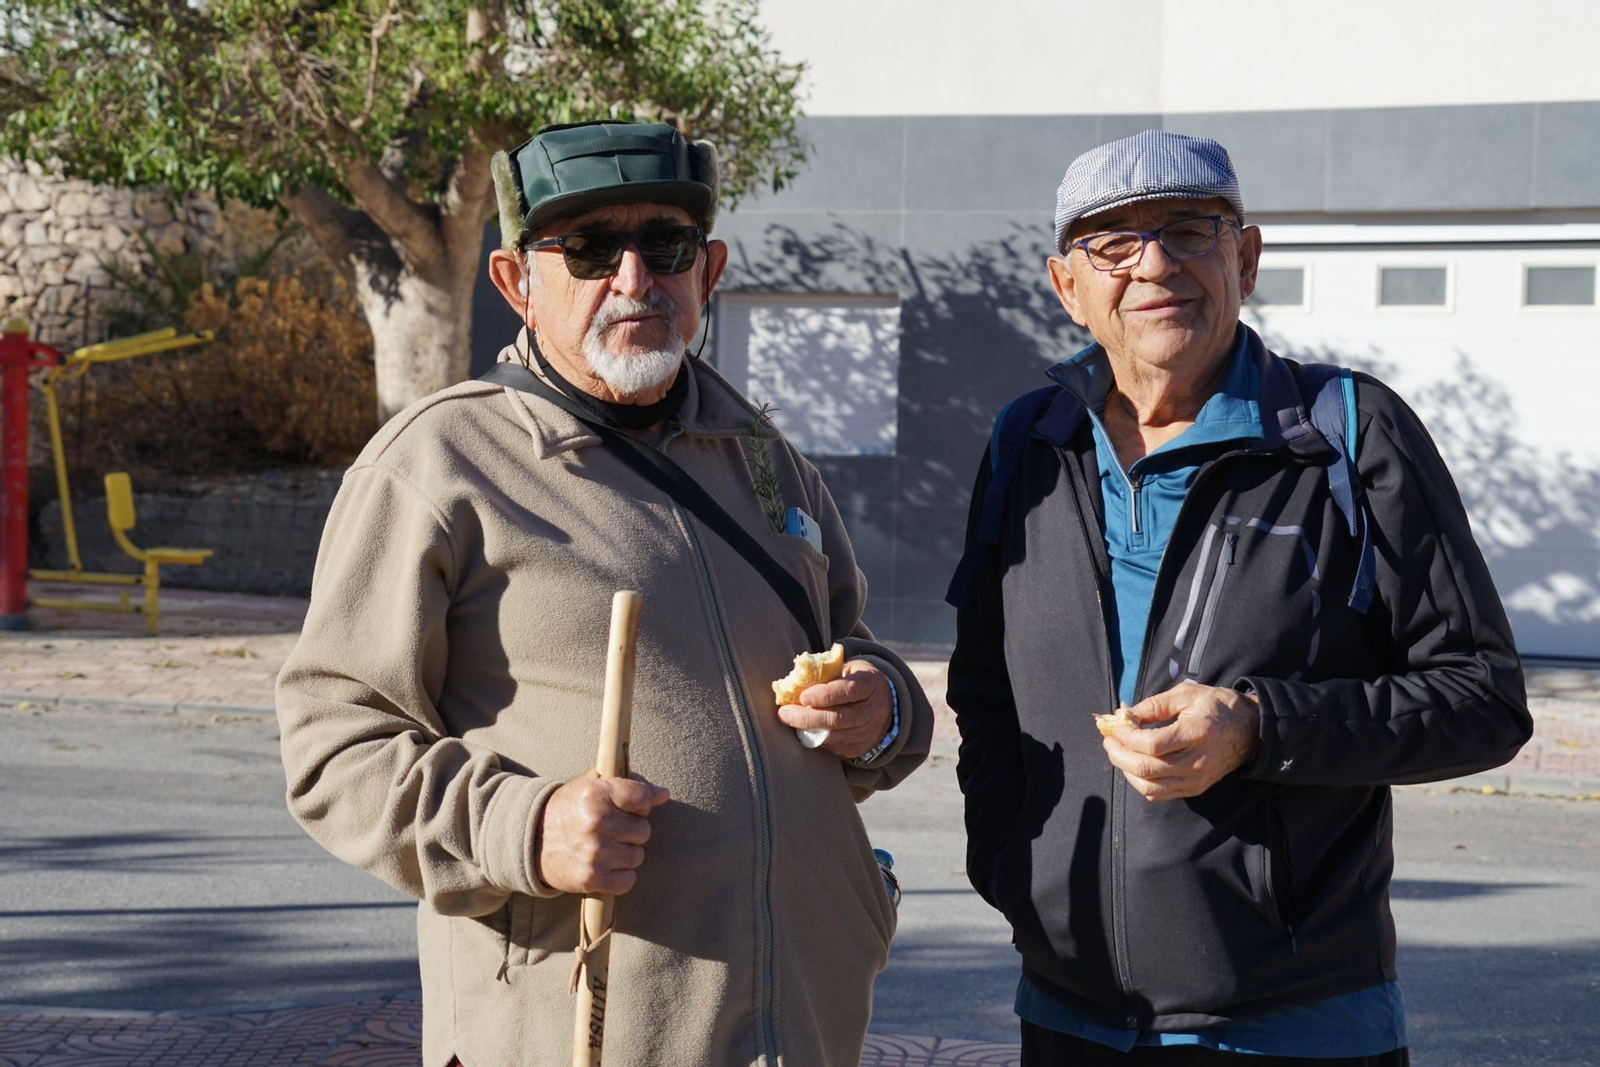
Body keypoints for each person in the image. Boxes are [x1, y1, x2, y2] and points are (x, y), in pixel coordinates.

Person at [276, 121, 930, 1067]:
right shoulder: (439, 463)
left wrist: (878, 709)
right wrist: (524, 826)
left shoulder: (764, 459)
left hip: (804, 1024)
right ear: (516, 282)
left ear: (707, 270)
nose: (633, 280)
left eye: (663, 246)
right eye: (587, 249)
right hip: (574, 1027)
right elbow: (333, 744)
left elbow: (854, 651)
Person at [945, 130, 1532, 1065]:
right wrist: (1012, 867)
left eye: (1189, 229)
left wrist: (1260, 727)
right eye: (1114, 243)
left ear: (1245, 258)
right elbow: (985, 686)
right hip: (1065, 1015)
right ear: (1067, 287)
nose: (1156, 265)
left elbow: (1482, 699)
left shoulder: (1346, 431)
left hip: (1299, 1025)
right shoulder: (1028, 442)